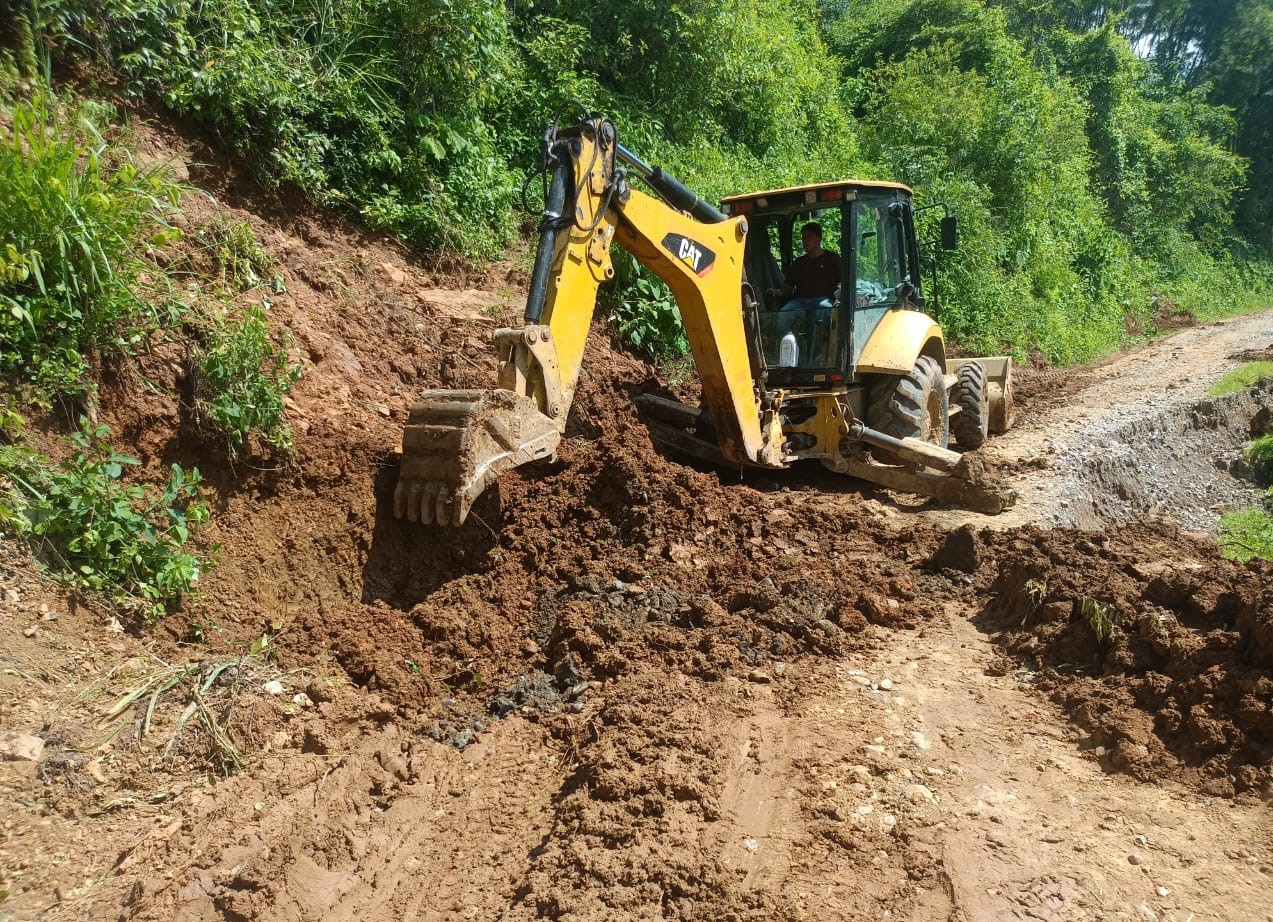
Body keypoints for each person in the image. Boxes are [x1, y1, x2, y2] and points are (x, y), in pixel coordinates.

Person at [767, 222, 840, 311]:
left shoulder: (832, 259)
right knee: (783, 314)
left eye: (809, 237)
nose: (805, 241)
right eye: (803, 238)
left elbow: (842, 283)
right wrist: (778, 292)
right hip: (800, 301)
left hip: (824, 300)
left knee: (824, 309)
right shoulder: (798, 263)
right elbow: (788, 286)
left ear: (819, 238)